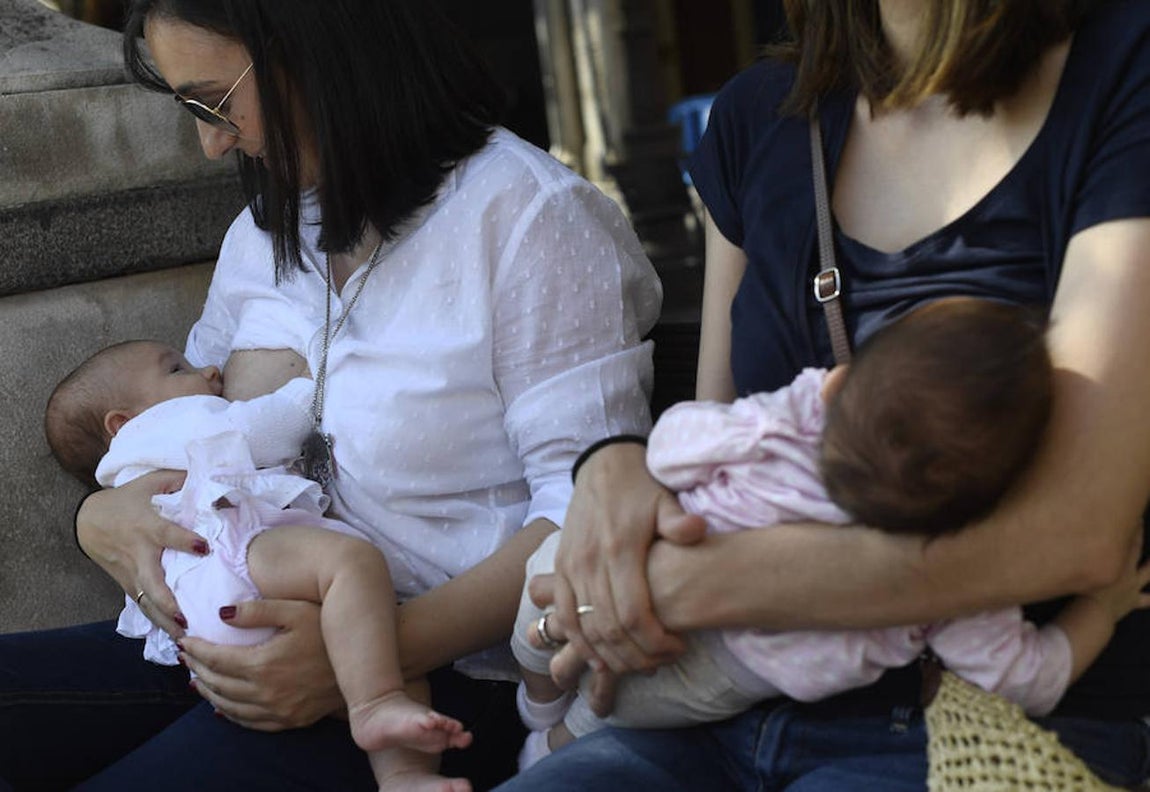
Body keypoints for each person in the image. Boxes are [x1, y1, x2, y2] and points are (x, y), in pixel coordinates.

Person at [0, 1, 660, 790]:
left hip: (444, 687)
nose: (209, 143)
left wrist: (372, 655)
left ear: (317, 56)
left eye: (212, 102)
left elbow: (584, 512)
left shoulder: (529, 220)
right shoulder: (267, 228)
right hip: (236, 635)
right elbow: (188, 423)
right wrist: (97, 518)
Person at [499, 0, 1150, 789]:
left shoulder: (1120, 67)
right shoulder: (757, 115)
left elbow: (1077, 534)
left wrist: (674, 587)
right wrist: (612, 466)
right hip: (725, 708)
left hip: (975, 725)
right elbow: (711, 433)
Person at [511, 296, 1150, 769]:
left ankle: (536, 701)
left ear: (842, 382)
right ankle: (553, 741)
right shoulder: (958, 575)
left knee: (540, 623)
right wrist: (1103, 608)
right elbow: (1022, 678)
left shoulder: (786, 426)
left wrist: (633, 469)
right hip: (724, 674)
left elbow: (675, 444)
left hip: (632, 566)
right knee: (610, 707)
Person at [45, 339, 475, 792]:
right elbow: (266, 428)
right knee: (354, 567)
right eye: (177, 369)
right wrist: (322, 386)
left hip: (199, 629)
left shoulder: (125, 471)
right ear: (122, 423)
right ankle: (383, 723)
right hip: (234, 555)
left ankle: (403, 777)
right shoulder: (161, 429)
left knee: (379, 642)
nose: (211, 371)